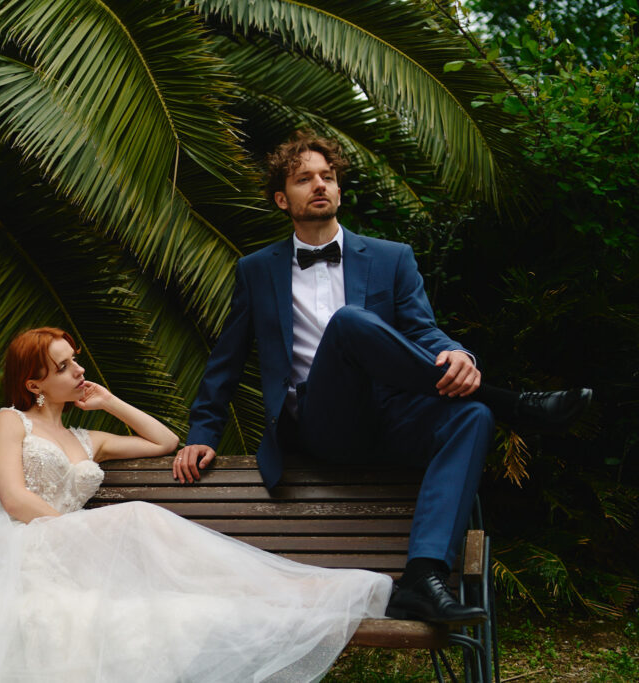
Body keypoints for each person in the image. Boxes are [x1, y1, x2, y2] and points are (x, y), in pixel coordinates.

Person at [176, 131, 592, 626]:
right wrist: (202, 434)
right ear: (282, 199)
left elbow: (423, 330)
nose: (320, 185)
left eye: (328, 176)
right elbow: (224, 362)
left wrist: (457, 354)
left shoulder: (391, 256)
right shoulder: (256, 271)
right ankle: (514, 404)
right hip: (322, 426)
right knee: (350, 323)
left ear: (339, 188)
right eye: (304, 179)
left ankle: (422, 577)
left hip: (393, 418)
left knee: (473, 416)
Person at [0, 326, 391, 683]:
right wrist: (81, 534)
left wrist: (109, 401)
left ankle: (281, 592)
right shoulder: (8, 422)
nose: (78, 370)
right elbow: (14, 499)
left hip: (71, 552)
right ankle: (286, 589)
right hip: (17, 549)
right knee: (137, 517)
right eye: (64, 366)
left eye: (75, 360)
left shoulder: (87, 438)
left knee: (151, 567)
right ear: (34, 383)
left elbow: (164, 441)